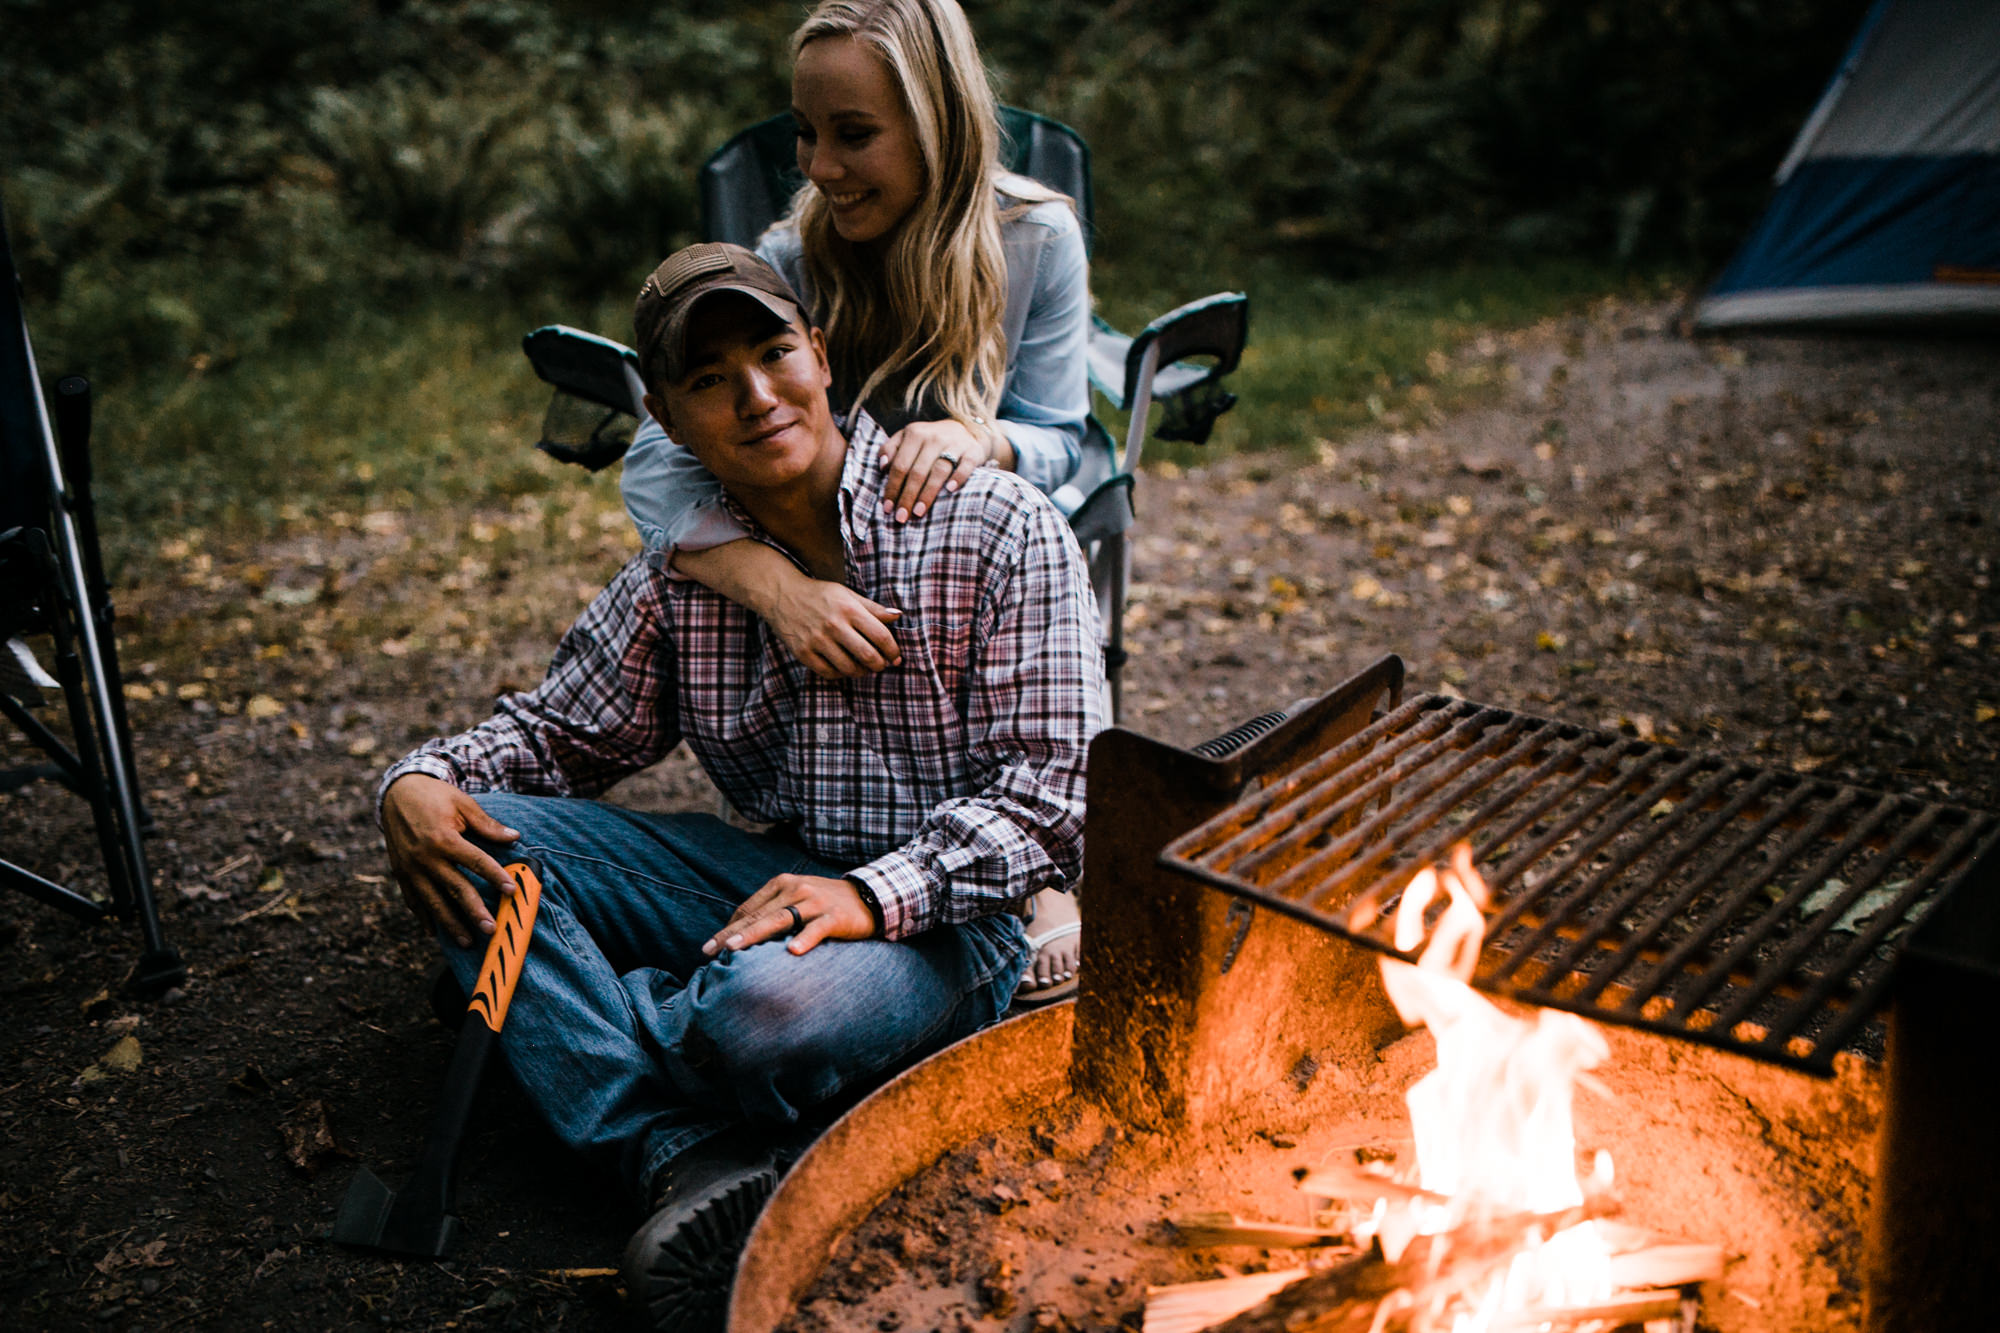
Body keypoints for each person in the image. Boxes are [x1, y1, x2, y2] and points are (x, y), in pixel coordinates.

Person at [376, 242, 1104, 1331]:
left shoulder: (994, 527)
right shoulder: (683, 578)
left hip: (952, 926)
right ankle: (684, 1150)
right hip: (762, 876)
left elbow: (1055, 800)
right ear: (665, 417)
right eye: (710, 380)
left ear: (818, 353)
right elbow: (552, 733)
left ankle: (564, 1023)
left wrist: (871, 896)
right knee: (473, 843)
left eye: (771, 353)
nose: (755, 397)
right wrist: (416, 782)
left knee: (758, 1012)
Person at [619, 0, 1089, 1002]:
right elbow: (655, 464)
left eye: (853, 135)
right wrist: (775, 588)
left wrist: (982, 435)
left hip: (972, 562)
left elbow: (1064, 434)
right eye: (805, 133)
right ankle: (829, 867)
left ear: (940, 123)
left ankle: (1025, 868)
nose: (819, 167)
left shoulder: (1034, 241)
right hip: (819, 560)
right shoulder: (792, 261)